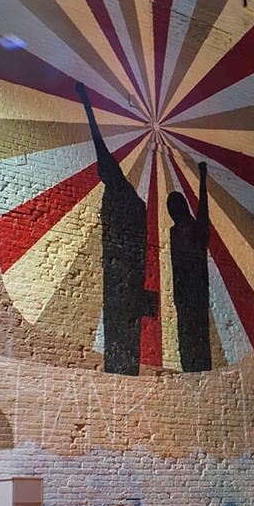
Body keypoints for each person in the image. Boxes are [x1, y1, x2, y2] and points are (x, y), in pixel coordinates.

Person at [75, 82, 156, 375]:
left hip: (123, 277)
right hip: (124, 277)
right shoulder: (134, 203)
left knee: (122, 336)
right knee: (123, 338)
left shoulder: (123, 199)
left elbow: (100, 147)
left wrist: (86, 101)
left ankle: (122, 368)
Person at [168, 161, 211, 372]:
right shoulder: (175, 232)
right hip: (186, 295)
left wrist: (203, 178)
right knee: (188, 337)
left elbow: (203, 207)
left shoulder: (196, 229)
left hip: (195, 293)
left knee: (197, 337)